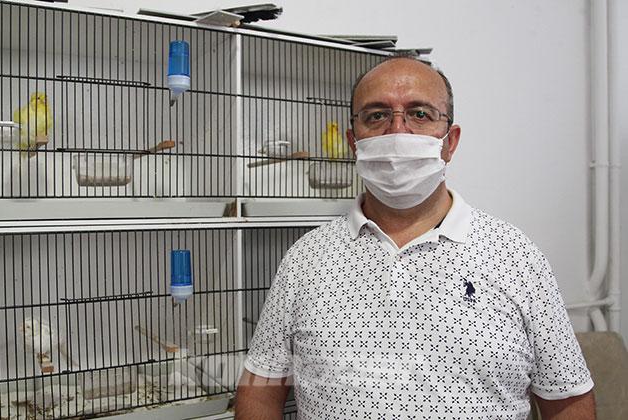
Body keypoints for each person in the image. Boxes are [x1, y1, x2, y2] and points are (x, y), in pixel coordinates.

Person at [235, 56, 595, 419]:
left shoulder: (515, 256)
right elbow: (260, 391)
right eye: (376, 116)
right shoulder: (305, 259)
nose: (397, 132)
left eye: (420, 114)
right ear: (353, 142)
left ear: (450, 142)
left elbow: (566, 399)